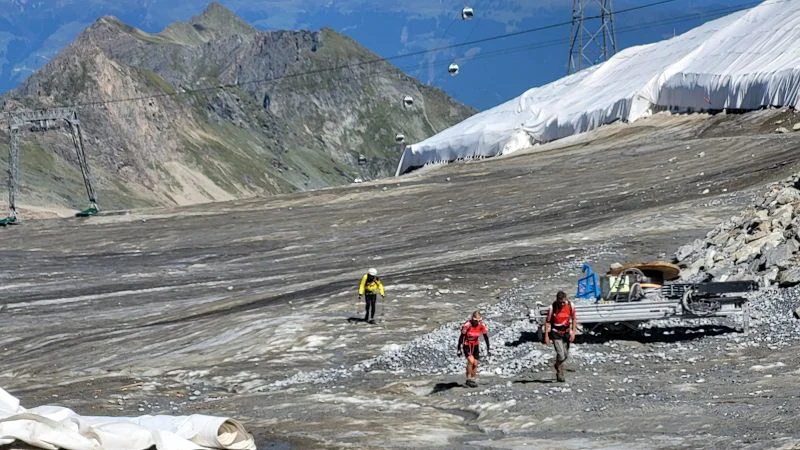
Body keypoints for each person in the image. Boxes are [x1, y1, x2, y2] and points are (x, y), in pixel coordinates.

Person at [544, 290, 578, 382]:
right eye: (561, 302)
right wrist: (546, 336)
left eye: (564, 302)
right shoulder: (552, 308)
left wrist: (573, 332)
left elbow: (574, 319)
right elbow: (547, 322)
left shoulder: (570, 306)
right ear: (557, 300)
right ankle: (559, 371)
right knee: (561, 355)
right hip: (556, 333)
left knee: (566, 355)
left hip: (566, 333)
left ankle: (557, 364)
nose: (563, 304)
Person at [457, 310, 490, 388]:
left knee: (475, 363)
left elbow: (486, 337)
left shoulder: (481, 325)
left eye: (479, 320)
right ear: (472, 318)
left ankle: (473, 379)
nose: (477, 322)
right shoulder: (467, 325)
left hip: (475, 345)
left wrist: (488, 348)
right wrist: (459, 349)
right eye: (475, 320)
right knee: (470, 361)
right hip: (467, 345)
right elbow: (461, 337)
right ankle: (468, 378)